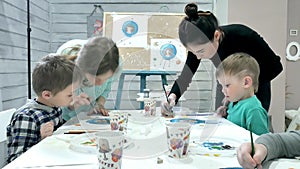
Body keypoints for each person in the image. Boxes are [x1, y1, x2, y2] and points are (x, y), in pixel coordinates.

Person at [162, 3, 283, 115]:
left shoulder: (242, 35)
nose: (198, 57)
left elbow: (275, 66)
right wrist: (173, 96)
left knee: (251, 126)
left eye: (201, 52)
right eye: (193, 52)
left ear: (216, 35)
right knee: (222, 120)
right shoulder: (198, 45)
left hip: (254, 90)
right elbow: (186, 75)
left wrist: (244, 88)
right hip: (227, 87)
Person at [6, 55, 83, 162]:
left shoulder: (53, 106)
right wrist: (42, 140)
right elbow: (16, 160)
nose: (74, 97)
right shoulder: (27, 117)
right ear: (47, 95)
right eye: (70, 95)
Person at [59, 37, 121, 121]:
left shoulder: (114, 62)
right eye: (97, 79)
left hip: (86, 118)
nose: (101, 84)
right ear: (83, 68)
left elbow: (107, 87)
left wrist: (100, 104)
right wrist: (70, 106)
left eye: (106, 78)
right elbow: (52, 105)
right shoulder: (63, 65)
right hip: (63, 121)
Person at [215, 52, 269, 135]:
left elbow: (260, 142)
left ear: (246, 82)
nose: (223, 90)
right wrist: (221, 116)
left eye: (227, 85)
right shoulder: (234, 102)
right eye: (222, 86)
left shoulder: (253, 110)